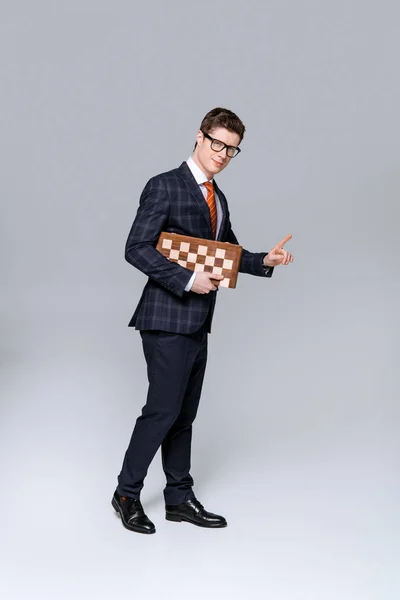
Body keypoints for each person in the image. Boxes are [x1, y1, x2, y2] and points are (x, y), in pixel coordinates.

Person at [112, 107, 294, 534]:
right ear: (199, 136)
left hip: (198, 321)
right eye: (217, 143)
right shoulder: (165, 186)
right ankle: (126, 494)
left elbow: (228, 252)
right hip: (166, 318)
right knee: (161, 412)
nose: (223, 154)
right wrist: (187, 278)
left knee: (184, 415)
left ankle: (178, 498)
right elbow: (137, 247)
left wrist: (261, 261)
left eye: (232, 149)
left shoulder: (218, 197)